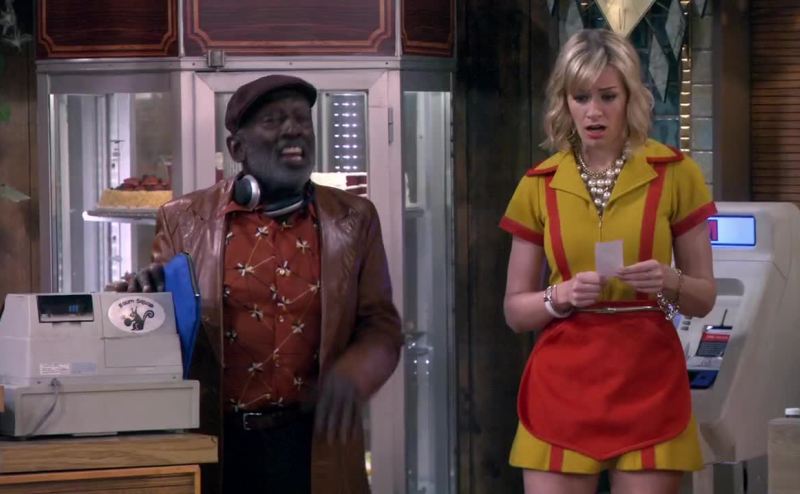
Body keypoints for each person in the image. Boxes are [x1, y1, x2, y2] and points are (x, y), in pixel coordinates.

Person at [112, 74, 402, 494]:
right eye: (273, 120)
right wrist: (139, 300)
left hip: (315, 442)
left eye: (302, 119)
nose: (293, 129)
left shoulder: (355, 218)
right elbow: (162, 329)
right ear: (237, 149)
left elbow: (381, 325)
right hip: (220, 442)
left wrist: (355, 373)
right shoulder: (183, 219)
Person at [499, 29, 717, 494]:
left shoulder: (676, 174)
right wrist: (560, 295)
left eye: (607, 96)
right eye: (581, 97)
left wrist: (668, 279)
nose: (593, 111)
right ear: (565, 103)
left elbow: (704, 298)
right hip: (563, 383)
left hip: (648, 380)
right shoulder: (538, 184)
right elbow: (515, 311)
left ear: (630, 98)